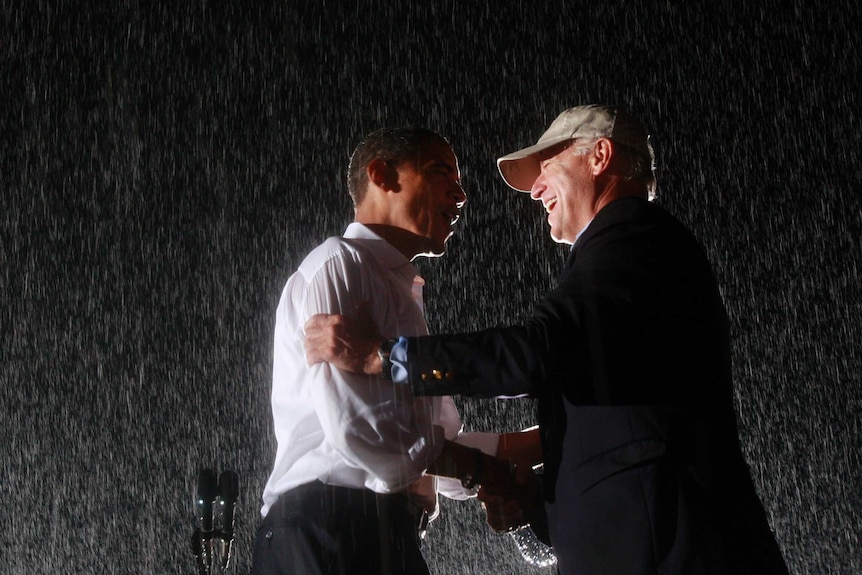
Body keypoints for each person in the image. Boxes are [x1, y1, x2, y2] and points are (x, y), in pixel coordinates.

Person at [303, 106, 790, 574]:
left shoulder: (633, 240)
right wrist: (531, 500)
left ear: (599, 158)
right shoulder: (627, 254)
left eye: (548, 165)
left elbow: (536, 353)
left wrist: (388, 356)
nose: (535, 189)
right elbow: (611, 422)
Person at [252, 127, 529, 575]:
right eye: (442, 173)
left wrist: (551, 441)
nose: (460, 195)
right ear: (381, 174)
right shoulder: (339, 264)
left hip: (375, 529)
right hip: (328, 525)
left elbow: (434, 441)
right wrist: (482, 469)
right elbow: (370, 437)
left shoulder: (401, 292)